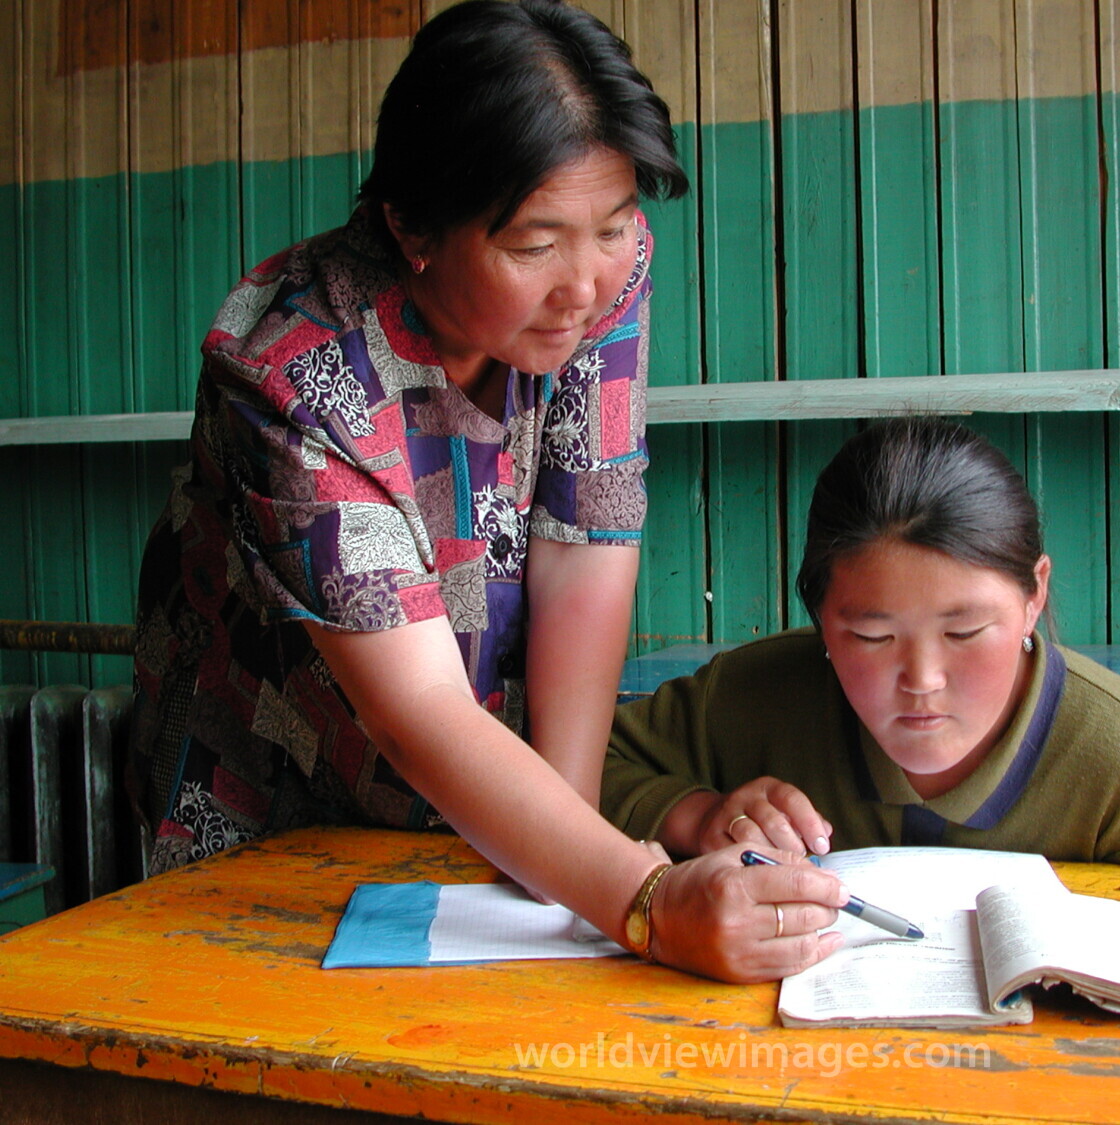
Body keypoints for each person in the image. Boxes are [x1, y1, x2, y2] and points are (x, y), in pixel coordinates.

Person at [127, 0, 845, 983]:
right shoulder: (295, 373)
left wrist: (575, 849)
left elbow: (588, 535)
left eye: (615, 224)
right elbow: (416, 706)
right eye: (534, 244)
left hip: (482, 777)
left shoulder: (600, 273)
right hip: (277, 781)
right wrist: (644, 902)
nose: (585, 284)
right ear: (412, 226)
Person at [602, 417, 1120, 865]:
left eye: (964, 632)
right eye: (873, 636)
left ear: (1034, 594)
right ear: (820, 616)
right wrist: (703, 817)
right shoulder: (752, 699)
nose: (922, 678)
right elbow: (569, 772)